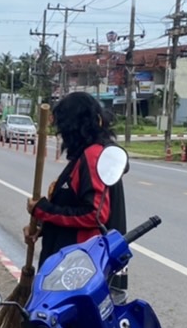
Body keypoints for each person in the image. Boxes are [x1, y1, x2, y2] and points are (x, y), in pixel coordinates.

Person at [24, 93, 126, 263]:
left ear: (73, 126)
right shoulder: (84, 155)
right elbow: (72, 204)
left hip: (80, 266)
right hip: (70, 260)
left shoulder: (94, 156)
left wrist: (44, 210)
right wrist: (42, 226)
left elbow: (95, 214)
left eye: (62, 127)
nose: (61, 134)